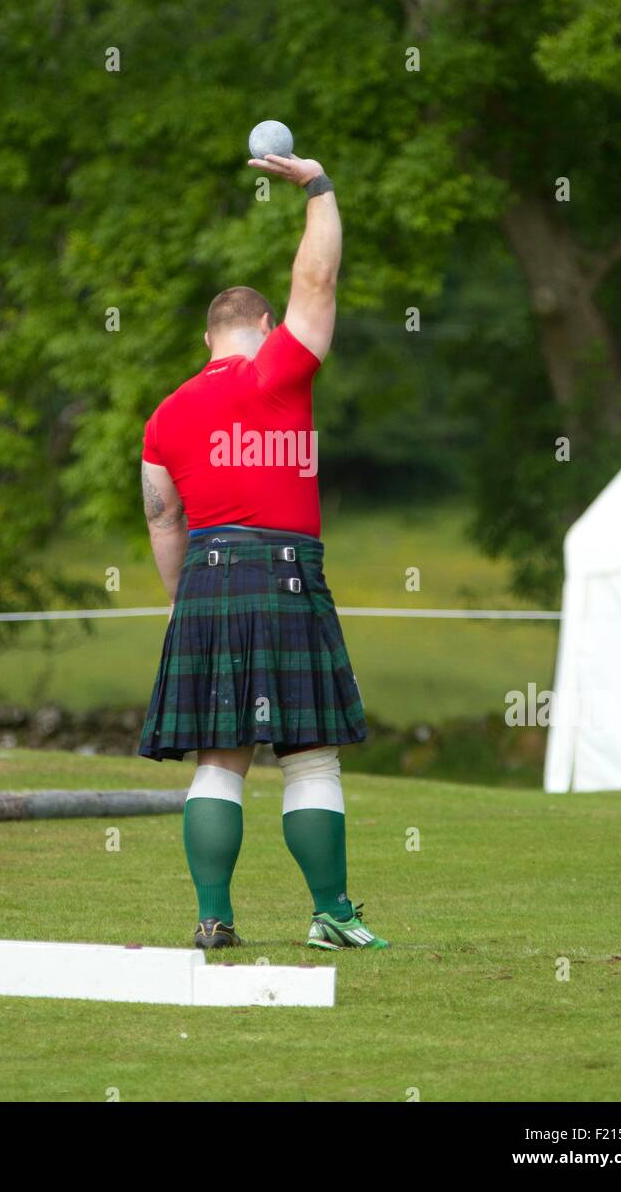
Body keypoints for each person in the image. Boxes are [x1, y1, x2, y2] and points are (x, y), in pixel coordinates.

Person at [139, 148, 388, 952]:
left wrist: (185, 605)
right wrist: (316, 186)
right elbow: (317, 282)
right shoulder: (278, 372)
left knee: (220, 761)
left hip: (207, 579)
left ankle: (214, 918)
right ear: (266, 330)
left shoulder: (164, 417)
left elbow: (162, 520)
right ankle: (332, 916)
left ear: (207, 336)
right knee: (310, 759)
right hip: (284, 578)